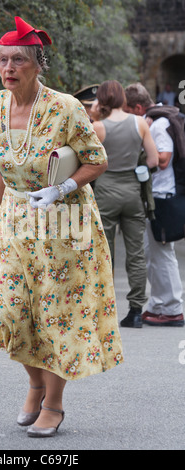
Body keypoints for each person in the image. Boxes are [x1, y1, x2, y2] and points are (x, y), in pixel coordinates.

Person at [0, 16, 124, 438]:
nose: (9, 68)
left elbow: (97, 159)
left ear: (38, 64)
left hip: (65, 220)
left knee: (57, 314)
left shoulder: (65, 106)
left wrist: (61, 190)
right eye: (2, 59)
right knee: (12, 309)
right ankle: (35, 385)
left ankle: (54, 406)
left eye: (18, 60)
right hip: (16, 219)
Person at [91, 80, 159, 328]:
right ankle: (136, 311)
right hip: (132, 194)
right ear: (122, 98)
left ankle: (104, 310)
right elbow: (152, 160)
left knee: (104, 253)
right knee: (136, 254)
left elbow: (87, 162)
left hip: (106, 194)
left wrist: (94, 115)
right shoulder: (139, 123)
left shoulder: (97, 127)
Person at [125, 82, 184, 327]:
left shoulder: (158, 124)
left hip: (162, 196)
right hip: (159, 195)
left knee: (162, 254)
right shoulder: (159, 119)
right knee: (153, 254)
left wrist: (142, 139)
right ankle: (160, 304)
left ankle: (172, 308)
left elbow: (163, 159)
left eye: (129, 112)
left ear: (138, 107)